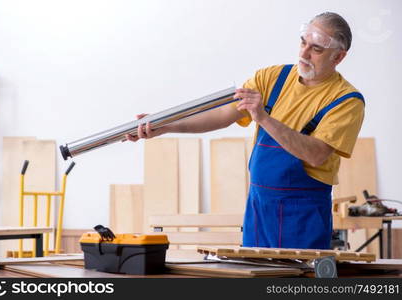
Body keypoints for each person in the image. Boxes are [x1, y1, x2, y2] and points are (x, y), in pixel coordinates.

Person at [125, 12, 365, 250]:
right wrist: (165, 126)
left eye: (317, 49)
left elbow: (316, 154)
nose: (304, 53)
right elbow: (221, 114)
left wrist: (263, 117)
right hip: (259, 208)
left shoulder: (346, 100)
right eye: (303, 42)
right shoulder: (273, 78)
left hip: (303, 216)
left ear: (338, 57)